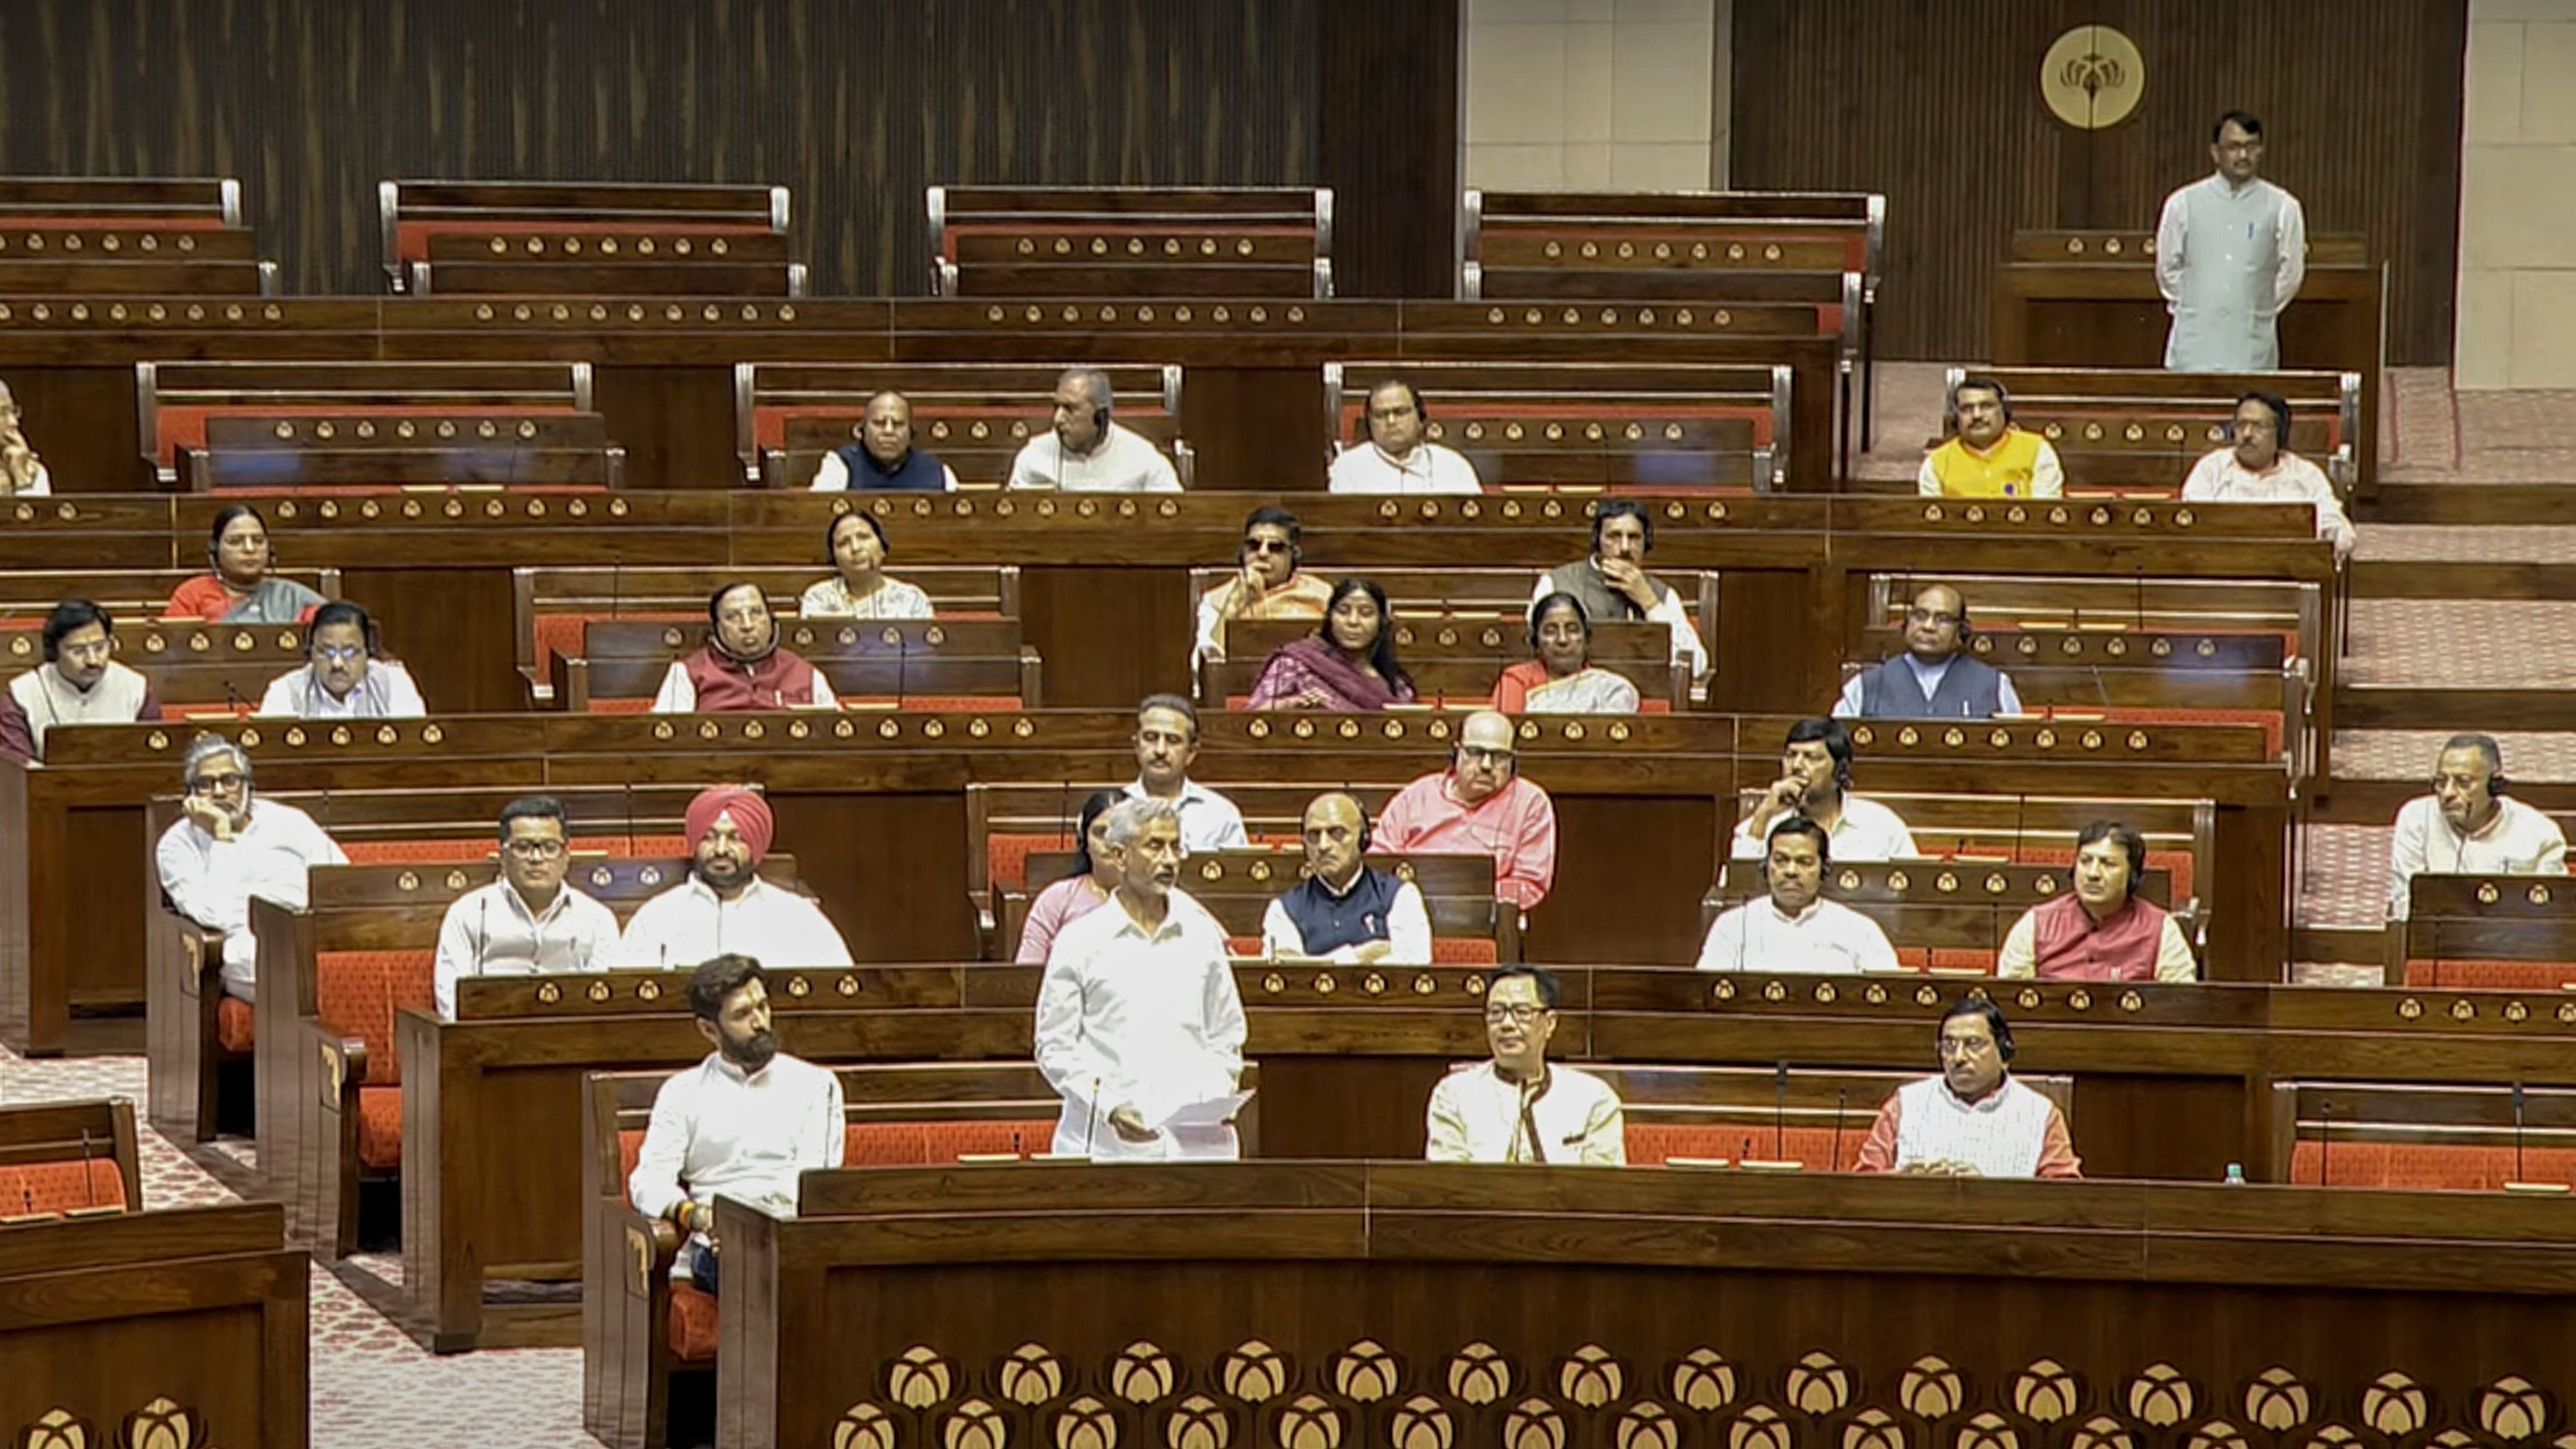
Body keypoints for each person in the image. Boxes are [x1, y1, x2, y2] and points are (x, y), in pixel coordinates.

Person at [1033, 798, 1248, 1160]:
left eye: (1176, 846)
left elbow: (1226, 1035)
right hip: (1105, 1148)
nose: (1170, 859)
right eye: (1155, 846)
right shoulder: (1080, 941)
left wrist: (1211, 1097)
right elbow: (1055, 1046)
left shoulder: (1202, 936)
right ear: (1120, 857)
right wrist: (1110, 1107)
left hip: (1194, 1149)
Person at [626, 954, 845, 1292]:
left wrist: (760, 1230)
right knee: (741, 1263)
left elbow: (817, 1182)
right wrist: (696, 1216)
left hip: (791, 1236)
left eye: (762, 1006)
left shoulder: (816, 1085)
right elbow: (648, 1182)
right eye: (743, 1014)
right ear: (709, 1030)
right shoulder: (682, 1093)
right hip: (715, 1245)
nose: (760, 1022)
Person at [154, 734, 348, 1002]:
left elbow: (341, 879)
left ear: (248, 786)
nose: (220, 792)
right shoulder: (176, 846)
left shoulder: (289, 821)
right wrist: (221, 834)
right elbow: (215, 918)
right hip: (247, 942)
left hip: (311, 930)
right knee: (277, 969)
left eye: (230, 781)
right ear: (191, 794)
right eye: (205, 784)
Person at [611, 787, 854, 969]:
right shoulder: (656, 917)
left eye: (735, 838)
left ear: (756, 846)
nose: (721, 849)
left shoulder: (798, 917)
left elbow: (840, 992)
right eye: (710, 837)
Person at [432, 796, 619, 1018]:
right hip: (488, 1040)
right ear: (503, 856)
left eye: (550, 848)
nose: (537, 858)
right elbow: (451, 1000)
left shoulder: (596, 918)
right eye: (523, 847)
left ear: (566, 856)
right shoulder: (468, 913)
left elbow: (605, 998)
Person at [1855, 999, 2081, 1179]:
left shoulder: (2040, 1114)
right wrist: (1906, 1182)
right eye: (1949, 1046)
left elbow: (2064, 1198)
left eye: (1973, 1044)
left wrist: (1987, 1195)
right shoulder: (1906, 1104)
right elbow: (1863, 1184)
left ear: (2004, 1053)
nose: (1958, 1057)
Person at [2156, 111, 2308, 372]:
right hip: (2196, 339)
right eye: (2234, 147)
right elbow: (2168, 269)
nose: (2243, 156)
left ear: (2261, 150)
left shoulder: (2283, 205)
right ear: (2216, 152)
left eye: (2251, 147)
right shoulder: (2183, 203)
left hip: (2251, 341)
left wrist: (2254, 304)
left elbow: (2291, 274)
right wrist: (2202, 303)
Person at [1425, 965, 1623, 1164]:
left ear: (1550, 1023)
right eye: (1496, 1012)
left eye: (1522, 1012)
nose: (1507, 1024)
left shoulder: (1593, 1099)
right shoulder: (1453, 1096)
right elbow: (1449, 1185)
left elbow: (1602, 1190)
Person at [1377, 709, 1557, 911]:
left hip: (1486, 918)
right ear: (1456, 754)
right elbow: (1379, 860)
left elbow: (1531, 884)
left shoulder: (1530, 802)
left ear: (1513, 761)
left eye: (1499, 757)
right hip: (1410, 910)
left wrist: (1468, 897)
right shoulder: (1417, 796)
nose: (1487, 765)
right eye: (1476, 753)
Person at [2387, 734, 2569, 921]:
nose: (2448, 793)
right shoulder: (2417, 819)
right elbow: (2406, 903)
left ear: (2494, 785)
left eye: (2463, 783)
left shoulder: (2540, 833)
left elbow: (2553, 916)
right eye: (2441, 782)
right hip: (2434, 942)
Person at [1696, 817, 1901, 975]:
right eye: (1781, 860)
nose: (1791, 871)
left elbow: (1889, 996)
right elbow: (1706, 995)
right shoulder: (1733, 926)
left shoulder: (1859, 930)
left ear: (1825, 869)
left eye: (1804, 862)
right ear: (1766, 866)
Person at [1996, 821, 2197, 982]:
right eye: (2085, 861)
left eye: (2108, 864)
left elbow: (2180, 1004)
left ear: (2132, 875)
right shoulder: (2036, 924)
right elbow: (2009, 1002)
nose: (2093, 874)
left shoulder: (2162, 929)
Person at [1534, 500, 1709, 684]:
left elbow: (1697, 667)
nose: (1625, 547)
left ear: (1646, 543)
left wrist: (1649, 602)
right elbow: (1533, 657)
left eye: (1634, 538)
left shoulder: (1662, 594)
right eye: (1614, 537)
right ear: (1597, 540)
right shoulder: (1555, 584)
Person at [1261, 792, 1432, 965]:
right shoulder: (1284, 909)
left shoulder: (1400, 896)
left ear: (1363, 838)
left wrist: (1315, 962)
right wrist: (1358, 957)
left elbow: (1414, 966)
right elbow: (1290, 974)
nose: (1323, 846)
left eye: (1337, 833)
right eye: (1314, 835)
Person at [2179, 392, 2355, 560]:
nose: (2247, 434)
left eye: (2259, 427)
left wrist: (2332, 538)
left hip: (2290, 574)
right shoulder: (2211, 468)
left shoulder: (2305, 474)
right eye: (2241, 425)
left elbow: (2337, 528)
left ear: (2279, 434)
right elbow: (2192, 522)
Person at [1731, 718, 1919, 862]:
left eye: (1811, 758)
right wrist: (1763, 816)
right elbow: (1735, 892)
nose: (1796, 765)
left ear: (1840, 770)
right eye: (1791, 756)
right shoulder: (1761, 826)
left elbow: (1914, 894)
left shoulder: (1881, 826)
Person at [1, 599, 162, 762]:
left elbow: (156, 757)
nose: (93, 660)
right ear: (54, 652)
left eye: (100, 648)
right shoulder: (22, 695)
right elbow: (16, 769)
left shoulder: (136, 688)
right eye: (78, 651)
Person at [1833, 583, 2025, 720]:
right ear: (1907, 623)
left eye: (1943, 619)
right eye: (1920, 616)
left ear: (1962, 631)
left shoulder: (1995, 686)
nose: (1928, 626)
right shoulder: (1867, 685)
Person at [651, 582, 839, 713]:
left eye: (756, 613)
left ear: (771, 620)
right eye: (733, 617)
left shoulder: (806, 674)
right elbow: (667, 738)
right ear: (717, 628)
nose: (747, 625)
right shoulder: (686, 674)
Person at [1246, 577, 1418, 711]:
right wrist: (1291, 705)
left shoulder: (1396, 683)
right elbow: (1253, 716)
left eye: (1366, 613)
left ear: (1381, 622)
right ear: (1330, 618)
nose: (1353, 621)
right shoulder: (1295, 664)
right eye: (1343, 612)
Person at [1194, 506, 1336, 663]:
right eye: (1254, 546)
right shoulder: (1216, 600)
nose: (1262, 554)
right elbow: (1208, 663)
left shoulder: (1322, 596)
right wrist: (1232, 607)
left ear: (1294, 555)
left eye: (1275, 547)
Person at [1006, 368, 1182, 493]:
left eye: (1070, 409)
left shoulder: (1144, 458)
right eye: (1057, 407)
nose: (1058, 419)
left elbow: (1174, 519)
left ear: (1101, 417)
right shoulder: (1033, 457)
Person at [254, 601, 428, 720]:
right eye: (326, 652)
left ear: (367, 652)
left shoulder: (393, 683)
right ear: (311, 652)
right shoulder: (285, 690)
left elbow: (412, 745)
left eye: (350, 652)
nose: (337, 663)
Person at [165, 505, 328, 625]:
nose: (249, 549)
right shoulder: (193, 595)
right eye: (235, 542)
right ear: (215, 549)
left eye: (258, 541)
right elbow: (174, 645)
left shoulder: (292, 597)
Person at [1124, 694, 1249, 851]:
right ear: (1136, 745)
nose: (1160, 750)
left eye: (1173, 740)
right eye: (1151, 738)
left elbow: (1237, 874)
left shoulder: (1221, 814)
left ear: (1191, 752)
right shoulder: (1110, 809)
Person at [1015, 789, 1126, 965]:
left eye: (1121, 833)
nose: (1110, 842)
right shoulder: (1056, 900)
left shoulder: (1158, 900)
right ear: (1085, 841)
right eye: (1100, 833)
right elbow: (1027, 973)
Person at [1917, 375, 2063, 500]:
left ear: (2004, 411)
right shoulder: (1936, 464)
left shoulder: (2037, 450)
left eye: (1986, 406)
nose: (1977, 416)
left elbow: (2046, 513)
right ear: (1955, 418)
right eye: (1967, 409)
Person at [1327, 378, 1482, 495]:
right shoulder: (1347, 469)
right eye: (1380, 415)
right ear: (1369, 423)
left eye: (1400, 412)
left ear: (1421, 418)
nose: (1391, 422)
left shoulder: (1454, 466)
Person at [1493, 593, 1640, 715]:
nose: (1562, 640)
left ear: (1587, 638)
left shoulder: (1613, 689)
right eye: (1551, 631)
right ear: (1535, 641)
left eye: (1572, 630)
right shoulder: (1517, 680)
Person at [808, 390, 959, 492]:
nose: (889, 431)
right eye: (879, 423)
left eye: (898, 424)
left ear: (911, 432)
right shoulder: (840, 465)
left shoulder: (938, 472)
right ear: (862, 430)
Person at [796, 512, 934, 620]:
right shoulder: (819, 597)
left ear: (882, 548)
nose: (855, 548)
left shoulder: (912, 599)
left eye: (863, 537)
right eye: (844, 543)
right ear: (834, 558)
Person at [0, 380, 51, 496]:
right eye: (2, 413)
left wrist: (21, 476)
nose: (14, 422)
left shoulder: (32, 471)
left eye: (14, 411)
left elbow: (34, 513)